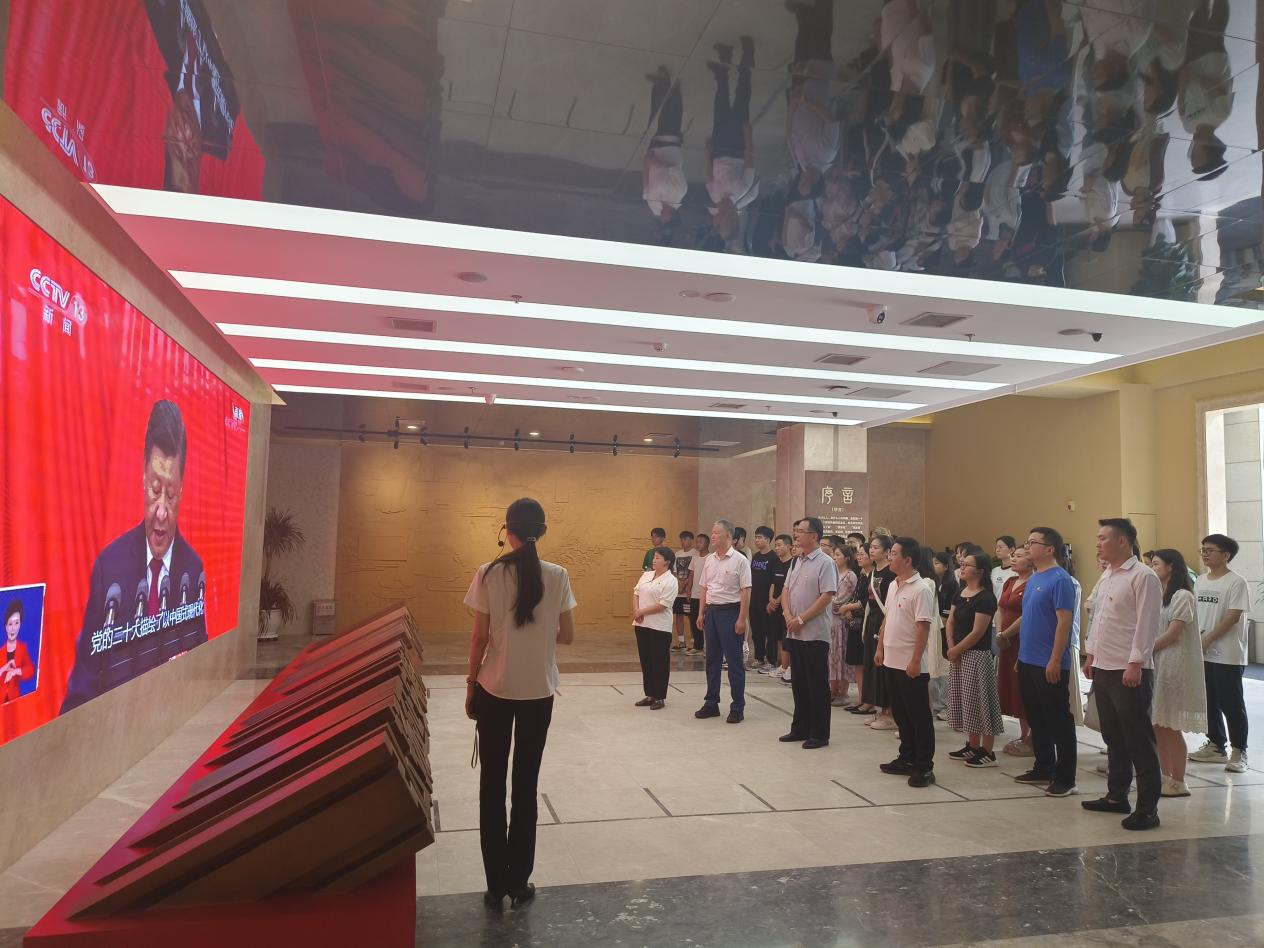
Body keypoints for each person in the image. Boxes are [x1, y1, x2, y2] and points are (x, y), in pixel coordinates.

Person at [464, 498, 576, 908]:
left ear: (506, 530)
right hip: (538, 693)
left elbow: (479, 638)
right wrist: (539, 632)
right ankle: (519, 882)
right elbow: (568, 636)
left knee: (491, 787)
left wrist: (470, 684)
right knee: (526, 787)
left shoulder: (488, 573)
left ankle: (495, 884)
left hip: (494, 689)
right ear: (541, 532)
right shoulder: (558, 575)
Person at [61, 399, 207, 713]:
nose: (161, 511)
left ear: (182, 491)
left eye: (171, 494)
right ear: (142, 479)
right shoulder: (109, 566)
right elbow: (85, 677)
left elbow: (201, 665)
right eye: (155, 490)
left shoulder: (193, 570)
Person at [1082, 519, 1163, 830]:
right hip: (1104, 666)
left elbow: (1147, 623)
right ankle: (1117, 797)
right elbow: (1100, 619)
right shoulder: (1107, 575)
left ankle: (1148, 809)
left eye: (1103, 538)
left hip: (1129, 669)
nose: (1097, 543)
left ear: (1122, 541)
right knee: (1113, 736)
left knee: (1138, 739)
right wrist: (1092, 654)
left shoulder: (1143, 576)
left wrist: (1136, 662)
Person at [1009, 528, 1079, 797]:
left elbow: (1064, 622)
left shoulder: (1060, 580)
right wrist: (1021, 656)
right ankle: (1044, 766)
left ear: (1050, 549)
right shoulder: (1035, 577)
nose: (1027, 546)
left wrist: (1055, 659)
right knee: (1036, 717)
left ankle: (1066, 778)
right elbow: (1030, 619)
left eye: (1033, 543)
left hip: (1049, 662)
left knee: (1058, 719)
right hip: (1028, 659)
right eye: (1026, 542)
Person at [876, 537, 937, 787]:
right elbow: (887, 619)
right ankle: (906, 757)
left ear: (908, 559)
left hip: (911, 664)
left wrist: (915, 660)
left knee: (918, 716)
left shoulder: (921, 589)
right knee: (901, 714)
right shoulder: (893, 585)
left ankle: (924, 766)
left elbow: (923, 627)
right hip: (891, 660)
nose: (889, 557)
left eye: (893, 554)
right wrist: (880, 647)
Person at [1189, 533, 1250, 773]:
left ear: (1226, 555)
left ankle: (1239, 751)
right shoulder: (1201, 581)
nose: (1205, 554)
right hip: (1202, 651)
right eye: (1203, 550)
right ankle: (1215, 746)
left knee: (1231, 702)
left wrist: (1208, 639)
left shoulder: (1236, 582)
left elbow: (1232, 616)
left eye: (1210, 550)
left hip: (1227, 653)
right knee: (1208, 700)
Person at [1149, 549, 1206, 797]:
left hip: (1174, 663)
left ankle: (1179, 780)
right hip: (1157, 661)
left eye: (1156, 564)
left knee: (1171, 725)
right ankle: (1164, 775)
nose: (1152, 568)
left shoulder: (1183, 595)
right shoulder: (1158, 594)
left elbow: (1173, 634)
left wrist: (1144, 650)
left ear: (1171, 566)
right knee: (1158, 723)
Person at [780, 517, 839, 748]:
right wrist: (787, 614)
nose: (796, 534)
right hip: (794, 631)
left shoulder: (825, 562)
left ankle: (819, 733)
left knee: (817, 684)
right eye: (795, 530)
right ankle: (800, 728)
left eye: (800, 531)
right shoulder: (796, 561)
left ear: (814, 536)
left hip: (814, 633)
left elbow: (827, 596)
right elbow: (786, 589)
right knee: (799, 683)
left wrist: (801, 618)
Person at [945, 552, 1003, 767]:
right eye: (962, 564)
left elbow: (978, 632)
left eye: (967, 564)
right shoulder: (960, 593)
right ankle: (972, 745)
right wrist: (951, 646)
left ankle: (987, 751)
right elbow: (951, 621)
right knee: (966, 701)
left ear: (979, 571)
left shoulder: (986, 597)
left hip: (977, 656)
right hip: (958, 654)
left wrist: (956, 650)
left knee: (981, 702)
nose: (962, 567)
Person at [694, 520, 752, 723]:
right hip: (711, 613)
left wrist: (742, 618)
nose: (712, 536)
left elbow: (746, 590)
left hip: (730, 612)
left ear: (728, 535)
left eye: (716, 533)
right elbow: (704, 587)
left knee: (734, 662)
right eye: (712, 532)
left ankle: (737, 707)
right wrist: (701, 613)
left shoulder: (740, 560)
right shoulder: (710, 560)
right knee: (712, 660)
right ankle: (711, 703)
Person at [994, 543, 1034, 755]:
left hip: (1021, 640)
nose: (1014, 559)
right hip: (1006, 642)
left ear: (1030, 560)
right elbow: (1000, 608)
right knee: (1012, 687)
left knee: (1024, 688)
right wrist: (1000, 632)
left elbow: (1028, 614)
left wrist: (1007, 634)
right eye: (1013, 555)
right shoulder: (1010, 581)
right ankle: (1023, 734)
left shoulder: (1033, 583)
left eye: (1019, 556)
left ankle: (1032, 739)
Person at [633, 547, 679, 710]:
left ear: (667, 562)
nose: (654, 560)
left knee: (659, 661)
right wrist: (636, 611)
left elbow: (663, 604)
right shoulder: (646, 575)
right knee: (646, 660)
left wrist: (642, 612)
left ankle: (659, 696)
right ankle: (650, 694)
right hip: (642, 624)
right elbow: (636, 593)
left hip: (659, 627)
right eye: (654, 557)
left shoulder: (671, 580)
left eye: (658, 558)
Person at [861, 535, 896, 729]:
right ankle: (878, 710)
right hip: (872, 620)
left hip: (884, 620)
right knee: (871, 666)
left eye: (876, 547)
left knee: (883, 667)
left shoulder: (891, 573)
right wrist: (865, 626)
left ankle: (888, 714)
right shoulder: (873, 572)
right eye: (871, 547)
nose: (871, 550)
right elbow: (869, 603)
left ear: (886, 551)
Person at [829, 544, 860, 707]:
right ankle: (832, 690)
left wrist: (824, 601)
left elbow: (840, 600)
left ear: (847, 558)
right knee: (831, 656)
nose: (834, 557)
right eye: (833, 554)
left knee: (841, 656)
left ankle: (843, 692)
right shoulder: (832, 572)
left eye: (838, 554)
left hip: (841, 622)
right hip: (829, 620)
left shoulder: (850, 576)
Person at [932, 551, 960, 718]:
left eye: (937, 563)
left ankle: (946, 705)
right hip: (937, 628)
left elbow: (948, 613)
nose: (934, 566)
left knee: (945, 667)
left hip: (945, 629)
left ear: (946, 566)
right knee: (936, 666)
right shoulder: (936, 582)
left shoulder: (952, 584)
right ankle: (937, 703)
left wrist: (937, 624)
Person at [842, 544, 872, 707]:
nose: (859, 557)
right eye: (858, 554)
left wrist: (849, 607)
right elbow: (855, 597)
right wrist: (848, 608)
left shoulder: (874, 576)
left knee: (866, 663)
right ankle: (861, 699)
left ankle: (868, 701)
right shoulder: (861, 575)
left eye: (863, 554)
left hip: (866, 623)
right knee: (858, 663)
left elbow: (868, 601)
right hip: (855, 623)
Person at [764, 534, 794, 680]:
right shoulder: (777, 563)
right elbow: (773, 583)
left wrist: (777, 601)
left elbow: (788, 587)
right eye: (775, 545)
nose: (777, 548)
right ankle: (780, 664)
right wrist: (771, 599)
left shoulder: (792, 564)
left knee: (786, 637)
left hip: (785, 607)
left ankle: (786, 667)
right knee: (776, 637)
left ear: (788, 546)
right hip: (774, 606)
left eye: (779, 545)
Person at [749, 527, 779, 671]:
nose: (757, 540)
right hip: (753, 600)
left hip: (766, 602)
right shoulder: (755, 556)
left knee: (769, 632)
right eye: (756, 537)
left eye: (760, 537)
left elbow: (774, 581)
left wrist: (770, 599)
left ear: (768, 539)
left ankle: (771, 659)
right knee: (756, 632)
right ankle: (759, 657)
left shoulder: (774, 558)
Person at [3, 600, 36, 703]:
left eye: (16, 623)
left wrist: (15, 671)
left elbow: (31, 670)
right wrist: (3, 669)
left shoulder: (22, 648)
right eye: (10, 624)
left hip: (15, 701)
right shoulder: (1, 651)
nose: (13, 628)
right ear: (6, 627)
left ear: (20, 624)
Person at [671, 531, 696, 651]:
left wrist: (686, 584)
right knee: (678, 615)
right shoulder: (677, 554)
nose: (683, 541)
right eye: (681, 539)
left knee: (691, 616)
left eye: (685, 539)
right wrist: (679, 584)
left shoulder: (695, 553)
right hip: (678, 591)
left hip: (690, 591)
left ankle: (693, 643)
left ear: (691, 540)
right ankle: (681, 642)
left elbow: (693, 572)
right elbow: (675, 571)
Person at [686, 533, 711, 654]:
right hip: (695, 595)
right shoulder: (695, 558)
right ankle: (698, 646)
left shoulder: (711, 558)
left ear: (707, 544)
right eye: (697, 541)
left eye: (700, 542)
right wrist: (689, 589)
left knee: (707, 621)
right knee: (694, 620)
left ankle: (709, 647)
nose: (697, 544)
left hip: (707, 595)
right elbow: (691, 574)